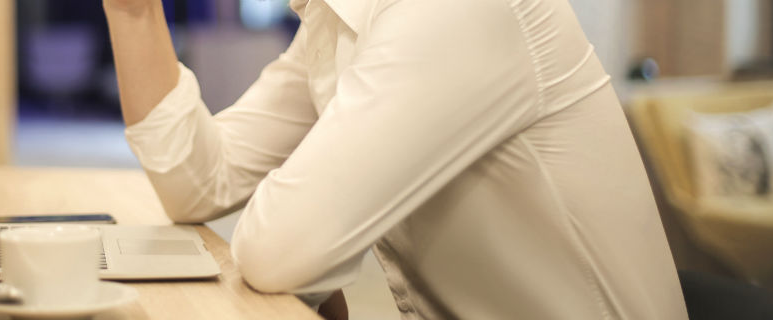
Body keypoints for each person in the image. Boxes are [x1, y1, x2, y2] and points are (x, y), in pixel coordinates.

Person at [102, 0, 689, 318]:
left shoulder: (455, 10)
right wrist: (133, 10)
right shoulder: (335, 25)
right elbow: (201, 183)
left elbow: (281, 250)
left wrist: (302, 248)